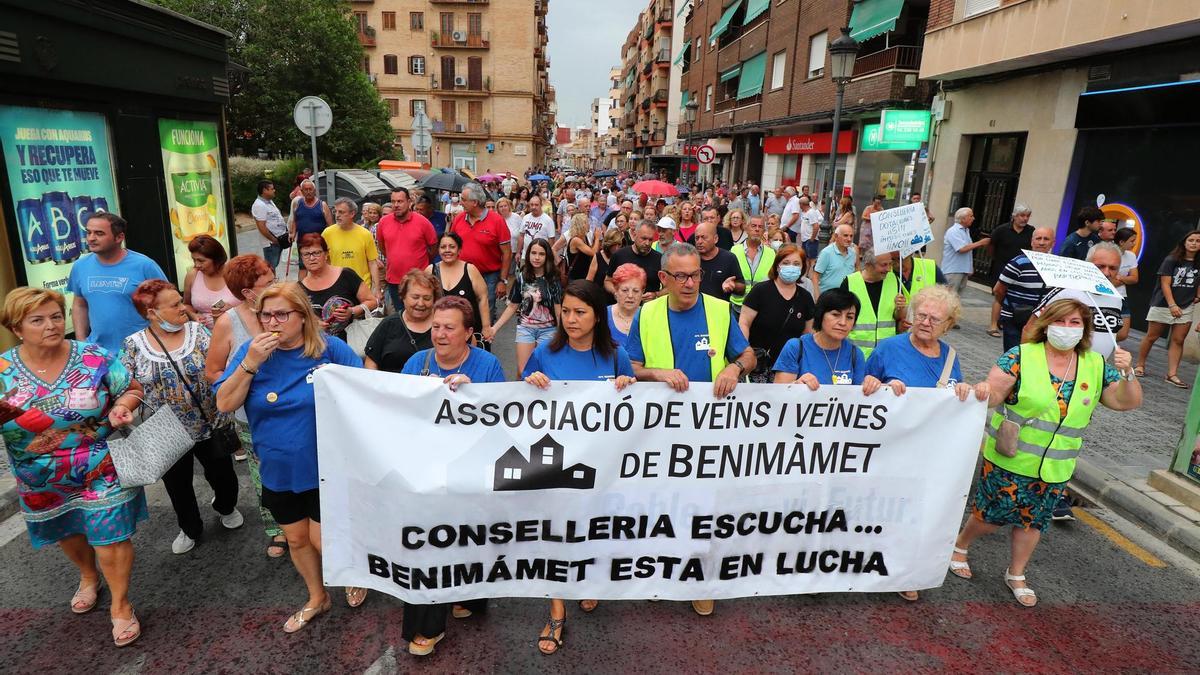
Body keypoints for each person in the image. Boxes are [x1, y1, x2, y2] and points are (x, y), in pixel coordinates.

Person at [953, 298, 1141, 607]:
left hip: (1055, 467)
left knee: (1033, 522)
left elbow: (1125, 402)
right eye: (1061, 321)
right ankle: (961, 546)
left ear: (1084, 330)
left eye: (1075, 323)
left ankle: (1016, 573)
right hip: (1011, 457)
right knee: (990, 516)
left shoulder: (1095, 364)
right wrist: (979, 393)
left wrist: (1128, 374)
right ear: (1047, 323)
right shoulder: (1021, 355)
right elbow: (995, 392)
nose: (1067, 329)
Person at [215, 282, 367, 632]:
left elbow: (367, 391)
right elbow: (225, 403)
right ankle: (318, 597)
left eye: (282, 314)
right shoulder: (249, 353)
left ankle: (351, 573)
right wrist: (251, 363)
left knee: (320, 538)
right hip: (277, 466)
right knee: (296, 539)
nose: (272, 322)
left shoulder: (329, 349)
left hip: (326, 467)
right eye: (266, 315)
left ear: (302, 316)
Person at [0, 288, 147, 647]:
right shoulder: (2, 370)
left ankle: (121, 605)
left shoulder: (91, 357)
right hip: (40, 474)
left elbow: (131, 388)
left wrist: (123, 406)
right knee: (68, 529)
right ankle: (86, 574)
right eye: (38, 320)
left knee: (111, 536)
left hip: (100, 461)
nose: (50, 325)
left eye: (55, 316)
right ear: (17, 328)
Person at [626, 242, 755, 619]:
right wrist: (658, 373)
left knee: (706, 505)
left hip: (709, 430)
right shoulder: (647, 314)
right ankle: (659, 572)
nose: (689, 283)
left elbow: (747, 354)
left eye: (695, 274)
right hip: (660, 430)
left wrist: (734, 369)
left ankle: (701, 580)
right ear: (663, 278)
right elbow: (631, 367)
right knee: (660, 503)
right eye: (680, 276)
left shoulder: (718, 310)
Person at [521, 280, 636, 655]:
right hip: (554, 466)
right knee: (553, 536)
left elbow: (631, 408)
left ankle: (587, 582)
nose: (570, 319)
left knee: (592, 532)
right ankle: (556, 612)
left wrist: (627, 385)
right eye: (566, 311)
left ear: (597, 316)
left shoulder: (615, 354)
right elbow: (517, 406)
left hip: (600, 468)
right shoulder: (543, 352)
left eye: (580, 312)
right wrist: (529, 382)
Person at [865, 285, 991, 601]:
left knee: (918, 513)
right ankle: (871, 563)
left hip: (930, 456)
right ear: (911, 315)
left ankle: (906, 572)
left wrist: (963, 391)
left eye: (935, 318)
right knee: (885, 510)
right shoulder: (887, 349)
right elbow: (861, 392)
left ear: (948, 325)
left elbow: (951, 394)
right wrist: (880, 386)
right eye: (921, 315)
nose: (926, 322)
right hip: (890, 449)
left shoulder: (950, 356)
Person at [399, 296, 505, 655]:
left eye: (449, 327)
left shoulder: (488, 365)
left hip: (470, 474)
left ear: (469, 333)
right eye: (436, 327)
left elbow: (502, 421)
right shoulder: (416, 363)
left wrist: (473, 393)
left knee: (470, 540)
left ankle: (471, 598)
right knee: (427, 546)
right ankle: (426, 626)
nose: (440, 334)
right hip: (426, 474)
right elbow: (397, 412)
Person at [123, 280, 242, 555]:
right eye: (175, 304)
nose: (182, 308)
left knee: (224, 476)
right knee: (178, 486)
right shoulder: (133, 345)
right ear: (152, 312)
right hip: (164, 429)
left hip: (210, 421)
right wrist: (123, 404)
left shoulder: (198, 332)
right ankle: (190, 528)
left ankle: (225, 505)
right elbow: (126, 384)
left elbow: (221, 365)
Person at [205, 254, 284, 556]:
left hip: (295, 409)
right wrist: (244, 375)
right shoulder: (229, 322)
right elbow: (213, 371)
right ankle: (277, 529)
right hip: (251, 415)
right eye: (268, 282)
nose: (275, 284)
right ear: (249, 293)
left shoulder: (285, 308)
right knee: (263, 472)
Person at [67, 212, 167, 353]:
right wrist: (82, 341)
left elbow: (168, 303)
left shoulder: (145, 265)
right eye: (88, 233)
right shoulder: (80, 265)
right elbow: (80, 304)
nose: (91, 238)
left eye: (99, 233)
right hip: (98, 352)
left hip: (141, 351)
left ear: (119, 237)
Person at [773, 288, 879, 390]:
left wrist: (873, 385)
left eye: (849, 317)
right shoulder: (796, 347)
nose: (843, 322)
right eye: (835, 315)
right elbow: (779, 395)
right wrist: (796, 385)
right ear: (820, 315)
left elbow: (859, 397)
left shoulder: (855, 354)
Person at [738, 243, 815, 382]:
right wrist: (745, 352)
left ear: (803, 268)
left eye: (796, 263)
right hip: (757, 365)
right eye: (786, 262)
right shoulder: (760, 291)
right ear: (778, 265)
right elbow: (744, 322)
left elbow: (808, 334)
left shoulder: (805, 297)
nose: (791, 266)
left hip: (788, 368)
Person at [1135, 229, 1200, 387]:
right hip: (1164, 303)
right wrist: (1172, 305)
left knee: (1178, 340)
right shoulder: (1172, 260)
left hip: (1186, 304)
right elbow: (1165, 284)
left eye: (1198, 241)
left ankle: (1172, 374)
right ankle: (1139, 365)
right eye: (1191, 240)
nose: (1194, 243)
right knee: (1152, 336)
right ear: (1184, 242)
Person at [488, 238, 563, 375]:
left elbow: (558, 310)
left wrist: (563, 334)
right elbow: (512, 306)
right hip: (526, 328)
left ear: (547, 256)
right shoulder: (522, 277)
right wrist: (494, 328)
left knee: (545, 371)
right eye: (533, 253)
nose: (537, 257)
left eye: (541, 254)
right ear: (528, 255)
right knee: (524, 372)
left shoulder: (553, 279)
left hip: (548, 330)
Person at [297, 233, 377, 342]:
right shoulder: (299, 288)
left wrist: (352, 311)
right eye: (306, 254)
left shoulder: (346, 275)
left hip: (352, 341)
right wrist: (312, 324)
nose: (311, 258)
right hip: (318, 345)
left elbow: (372, 301)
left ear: (326, 254)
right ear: (301, 258)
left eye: (316, 253)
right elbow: (297, 318)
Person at [452, 183, 513, 323]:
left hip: (488, 277)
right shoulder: (459, 219)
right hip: (462, 274)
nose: (460, 202)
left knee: (486, 312)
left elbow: (507, 253)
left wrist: (502, 281)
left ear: (474, 202)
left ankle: (484, 342)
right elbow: (451, 246)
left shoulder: (497, 221)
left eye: (463, 199)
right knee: (463, 312)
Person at [365, 269, 440, 372]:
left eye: (427, 298)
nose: (421, 303)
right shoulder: (389, 324)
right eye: (415, 297)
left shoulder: (443, 325)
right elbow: (371, 362)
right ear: (403, 296)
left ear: (434, 300)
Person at [994, 227, 1055, 352]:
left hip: (1041, 321)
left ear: (1053, 243)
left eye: (1046, 239)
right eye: (1038, 238)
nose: (1042, 242)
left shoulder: (1056, 266)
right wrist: (1007, 306)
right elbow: (998, 290)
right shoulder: (1018, 262)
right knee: (1015, 355)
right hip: (1015, 319)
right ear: (1032, 242)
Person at [376, 187, 438, 312]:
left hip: (418, 280)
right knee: (401, 316)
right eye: (393, 202)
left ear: (409, 202)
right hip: (394, 280)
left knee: (420, 314)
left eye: (400, 201)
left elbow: (433, 247)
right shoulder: (383, 222)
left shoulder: (423, 222)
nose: (396, 205)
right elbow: (383, 247)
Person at [427, 232, 492, 341]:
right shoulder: (430, 270)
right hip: (442, 331)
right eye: (443, 247)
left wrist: (486, 327)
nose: (447, 250)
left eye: (452, 247)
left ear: (459, 250)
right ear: (438, 250)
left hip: (469, 330)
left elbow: (482, 298)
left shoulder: (470, 269)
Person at [840, 248, 901, 358]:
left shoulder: (893, 279)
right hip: (855, 354)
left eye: (890, 264)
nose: (888, 269)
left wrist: (900, 308)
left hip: (886, 354)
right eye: (883, 265)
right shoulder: (850, 282)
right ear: (868, 265)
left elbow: (897, 316)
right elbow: (840, 317)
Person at [986, 205, 1035, 337]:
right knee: (999, 296)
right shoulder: (1002, 230)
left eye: (1027, 216)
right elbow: (991, 245)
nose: (1025, 219)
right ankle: (993, 325)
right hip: (1002, 267)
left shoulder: (1031, 231)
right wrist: (996, 259)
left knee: (1016, 296)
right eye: (1022, 215)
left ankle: (1008, 321)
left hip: (1022, 270)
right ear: (1014, 216)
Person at [322, 198, 382, 302]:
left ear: (352, 213)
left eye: (341, 212)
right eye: (335, 211)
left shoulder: (365, 234)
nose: (337, 215)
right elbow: (324, 261)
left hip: (362, 286)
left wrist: (376, 288)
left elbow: (372, 262)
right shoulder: (327, 233)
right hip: (336, 285)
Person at [183, 234, 238, 329]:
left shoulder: (235, 274)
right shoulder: (193, 275)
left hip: (234, 329)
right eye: (194, 260)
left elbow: (253, 303)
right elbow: (186, 304)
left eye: (201, 261)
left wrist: (234, 310)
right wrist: (193, 315)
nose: (197, 265)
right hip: (204, 333)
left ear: (216, 260)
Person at [606, 222, 663, 300]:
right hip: (623, 306)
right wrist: (616, 293)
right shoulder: (619, 255)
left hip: (648, 308)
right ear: (635, 235)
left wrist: (656, 294)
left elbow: (670, 287)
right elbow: (607, 281)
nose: (647, 243)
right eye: (644, 238)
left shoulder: (659, 259)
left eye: (650, 240)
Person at [941, 207, 990, 293]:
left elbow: (968, 250)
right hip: (953, 270)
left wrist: (969, 267)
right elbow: (962, 249)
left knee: (957, 298)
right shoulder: (953, 231)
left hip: (962, 269)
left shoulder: (965, 230)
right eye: (971, 216)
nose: (973, 218)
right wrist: (980, 243)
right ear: (963, 219)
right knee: (950, 297)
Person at [730, 216, 774, 311]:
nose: (757, 229)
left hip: (762, 307)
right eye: (753, 226)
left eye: (760, 227)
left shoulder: (771, 253)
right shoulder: (734, 251)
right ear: (746, 228)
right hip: (738, 306)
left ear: (764, 230)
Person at [695, 220, 745, 302]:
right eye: (697, 238)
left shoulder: (729, 258)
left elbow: (742, 288)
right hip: (696, 310)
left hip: (720, 311)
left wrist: (733, 286)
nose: (699, 241)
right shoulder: (691, 259)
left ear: (715, 239)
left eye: (704, 237)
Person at [252, 180, 289, 271]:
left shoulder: (269, 202)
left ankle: (272, 283)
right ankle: (270, 284)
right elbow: (262, 226)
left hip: (278, 241)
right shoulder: (259, 205)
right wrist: (274, 240)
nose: (274, 190)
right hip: (271, 243)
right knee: (270, 267)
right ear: (265, 190)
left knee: (273, 265)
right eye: (272, 189)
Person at [813, 224, 857, 299]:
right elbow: (815, 277)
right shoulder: (827, 253)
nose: (849, 239)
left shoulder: (853, 253)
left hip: (846, 297)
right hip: (827, 297)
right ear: (836, 236)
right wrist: (817, 298)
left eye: (851, 236)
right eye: (845, 235)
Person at [608, 263, 646, 349]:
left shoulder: (650, 316)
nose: (630, 295)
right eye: (625, 290)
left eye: (636, 291)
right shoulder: (603, 316)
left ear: (642, 292)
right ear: (616, 290)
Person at [564, 213, 597, 281]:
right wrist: (597, 238)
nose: (589, 225)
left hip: (583, 274)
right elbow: (594, 252)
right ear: (582, 225)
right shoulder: (576, 240)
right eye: (587, 223)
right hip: (577, 277)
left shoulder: (584, 237)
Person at [795, 196, 824, 261]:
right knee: (806, 258)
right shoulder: (804, 212)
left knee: (812, 259)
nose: (799, 206)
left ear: (802, 204)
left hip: (810, 240)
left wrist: (812, 239)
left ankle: (811, 271)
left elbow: (816, 226)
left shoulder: (811, 212)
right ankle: (807, 271)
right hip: (805, 240)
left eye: (799, 204)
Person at [1115, 227, 1139, 298]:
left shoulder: (1131, 255)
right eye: (1132, 241)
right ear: (1121, 242)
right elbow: (1109, 281)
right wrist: (1126, 279)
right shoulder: (1108, 254)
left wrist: (1119, 277)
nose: (1134, 243)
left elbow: (1135, 279)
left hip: (1122, 295)